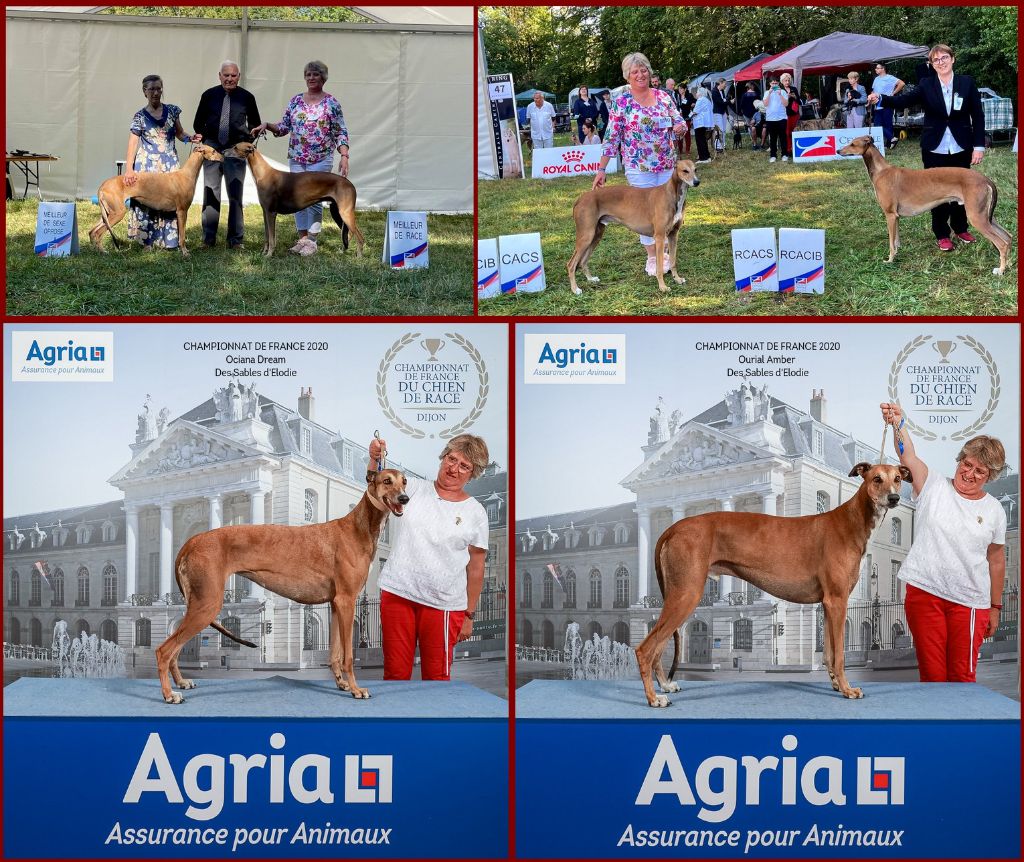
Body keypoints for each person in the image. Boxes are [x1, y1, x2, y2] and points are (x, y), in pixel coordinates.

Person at [879, 402, 1006, 683]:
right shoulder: (933, 485)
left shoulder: (995, 509)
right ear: (960, 460)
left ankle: (962, 729)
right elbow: (908, 456)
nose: (969, 473)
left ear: (990, 476)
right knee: (933, 677)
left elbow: (996, 560)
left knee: (961, 676)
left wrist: (995, 608)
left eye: (980, 471)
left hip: (970, 603)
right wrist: (898, 424)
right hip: (925, 595)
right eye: (967, 464)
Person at [370, 434, 489, 682]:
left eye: (464, 466)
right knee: (394, 675)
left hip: (444, 606)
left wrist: (469, 615)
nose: (453, 468)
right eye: (451, 458)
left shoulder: (475, 512)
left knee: (437, 679)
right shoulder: (411, 488)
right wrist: (374, 460)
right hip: (398, 594)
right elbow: (376, 490)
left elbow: (476, 569)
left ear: (472, 473)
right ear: (443, 457)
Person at [868, 44, 987, 252]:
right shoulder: (926, 84)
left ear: (953, 59)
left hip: (961, 145)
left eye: (944, 58)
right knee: (935, 192)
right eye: (936, 60)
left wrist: (978, 146)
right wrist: (881, 98)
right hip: (934, 147)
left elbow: (977, 115)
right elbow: (903, 100)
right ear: (931, 64)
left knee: (961, 189)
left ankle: (961, 228)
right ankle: (941, 233)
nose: (941, 62)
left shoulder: (967, 83)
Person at [593, 51, 687, 278]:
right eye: (635, 71)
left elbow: (679, 121)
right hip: (638, 167)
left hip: (666, 165)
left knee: (667, 210)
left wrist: (680, 127)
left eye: (643, 70)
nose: (640, 74)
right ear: (627, 76)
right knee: (645, 212)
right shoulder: (621, 102)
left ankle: (663, 253)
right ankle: (653, 257)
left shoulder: (664, 97)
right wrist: (602, 168)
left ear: (649, 71)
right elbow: (611, 137)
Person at [250, 61, 348, 256]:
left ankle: (312, 240)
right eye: (308, 75)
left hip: (321, 158)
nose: (311, 78)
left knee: (314, 200)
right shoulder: (296, 101)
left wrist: (344, 155)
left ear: (323, 78)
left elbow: (340, 132)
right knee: (297, 199)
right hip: (297, 157)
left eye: (315, 75)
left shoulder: (331, 103)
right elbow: (284, 127)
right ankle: (302, 238)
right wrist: (267, 125)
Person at [123, 75, 201, 249]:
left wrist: (190, 138)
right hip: (146, 165)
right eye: (151, 89)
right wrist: (129, 169)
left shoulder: (172, 111)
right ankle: (147, 242)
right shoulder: (139, 117)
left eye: (159, 88)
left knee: (172, 201)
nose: (156, 92)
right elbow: (133, 143)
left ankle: (169, 242)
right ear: (144, 92)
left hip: (169, 164)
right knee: (146, 203)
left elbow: (180, 134)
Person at [193, 61, 261, 249]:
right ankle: (208, 239)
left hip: (235, 151)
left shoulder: (247, 97)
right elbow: (198, 122)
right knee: (210, 193)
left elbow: (255, 126)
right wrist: (207, 140)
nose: (229, 79)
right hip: (213, 149)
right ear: (220, 76)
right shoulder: (208, 95)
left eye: (233, 75)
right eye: (226, 75)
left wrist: (243, 146)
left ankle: (235, 240)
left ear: (239, 77)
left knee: (235, 195)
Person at [871, 61, 905, 148]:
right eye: (876, 68)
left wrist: (893, 93)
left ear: (883, 69)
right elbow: (874, 91)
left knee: (887, 124)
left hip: (887, 102)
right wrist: (871, 97)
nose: (876, 69)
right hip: (877, 103)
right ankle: (892, 138)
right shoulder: (876, 79)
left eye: (877, 68)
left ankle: (889, 144)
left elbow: (902, 83)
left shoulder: (890, 77)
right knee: (877, 125)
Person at [763, 77, 788, 163]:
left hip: (782, 118)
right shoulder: (767, 92)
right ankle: (773, 155)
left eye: (776, 83)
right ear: (770, 84)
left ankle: (784, 154)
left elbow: (786, 104)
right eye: (772, 83)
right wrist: (769, 93)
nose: (774, 85)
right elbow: (765, 104)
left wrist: (780, 94)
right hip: (770, 119)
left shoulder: (783, 92)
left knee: (783, 137)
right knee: (772, 138)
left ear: (778, 84)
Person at [779, 73, 801, 155]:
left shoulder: (794, 89)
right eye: (785, 80)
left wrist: (795, 97)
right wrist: (787, 97)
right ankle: (788, 150)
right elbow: (779, 103)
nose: (787, 82)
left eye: (788, 80)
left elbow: (799, 101)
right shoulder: (780, 90)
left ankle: (796, 148)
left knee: (796, 131)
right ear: (782, 81)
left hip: (795, 113)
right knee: (787, 132)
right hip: (785, 114)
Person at [691, 86, 713, 164]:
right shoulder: (707, 100)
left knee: (700, 140)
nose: (696, 94)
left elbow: (695, 111)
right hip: (704, 123)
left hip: (700, 123)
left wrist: (688, 116)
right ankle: (707, 156)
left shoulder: (700, 100)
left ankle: (703, 158)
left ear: (700, 93)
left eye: (697, 92)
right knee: (703, 140)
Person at [739, 82, 760, 150]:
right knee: (755, 127)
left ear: (748, 87)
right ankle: (755, 142)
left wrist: (742, 112)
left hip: (746, 114)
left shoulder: (744, 95)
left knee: (750, 127)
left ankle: (753, 142)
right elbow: (759, 104)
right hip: (754, 113)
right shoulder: (756, 94)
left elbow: (741, 105)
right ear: (752, 87)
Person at [710, 78, 729, 152]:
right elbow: (720, 102)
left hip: (723, 112)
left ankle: (722, 145)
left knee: (724, 129)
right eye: (724, 83)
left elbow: (724, 103)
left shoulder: (722, 91)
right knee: (719, 129)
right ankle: (717, 146)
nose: (725, 85)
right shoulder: (714, 91)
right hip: (717, 112)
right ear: (720, 83)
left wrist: (727, 113)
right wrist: (728, 101)